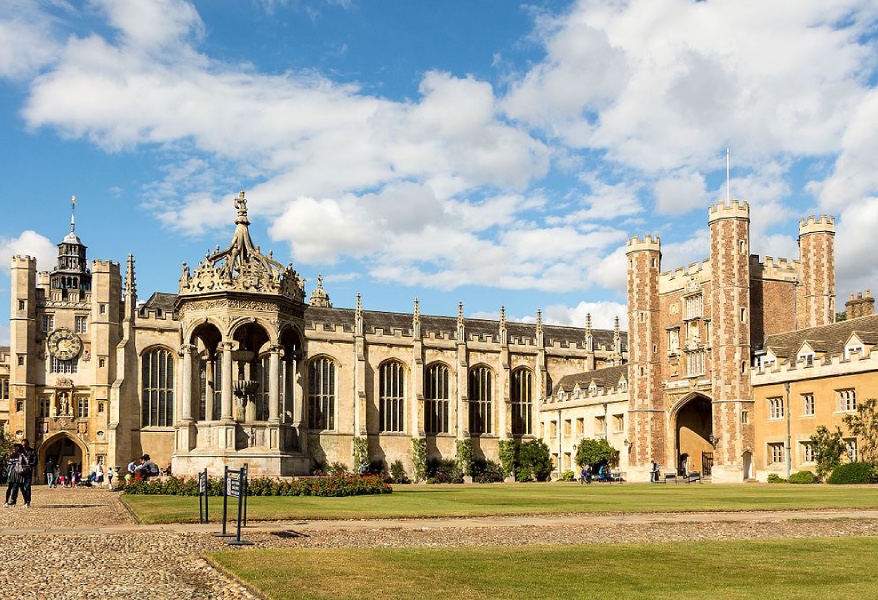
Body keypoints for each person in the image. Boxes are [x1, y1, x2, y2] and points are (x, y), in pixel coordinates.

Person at [4, 444, 31, 508]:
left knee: (10, 487)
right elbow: (27, 463)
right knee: (21, 488)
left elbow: (9, 464)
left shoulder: (14, 455)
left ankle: (6, 502)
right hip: (19, 472)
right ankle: (26, 502)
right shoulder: (24, 455)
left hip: (14, 472)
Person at [21, 439, 36, 503]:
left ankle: (28, 501)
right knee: (21, 487)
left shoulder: (32, 451)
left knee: (27, 486)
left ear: (27, 445)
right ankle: (25, 499)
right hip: (20, 471)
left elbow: (35, 460)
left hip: (28, 471)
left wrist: (30, 464)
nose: (23, 446)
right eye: (22, 445)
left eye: (25, 445)